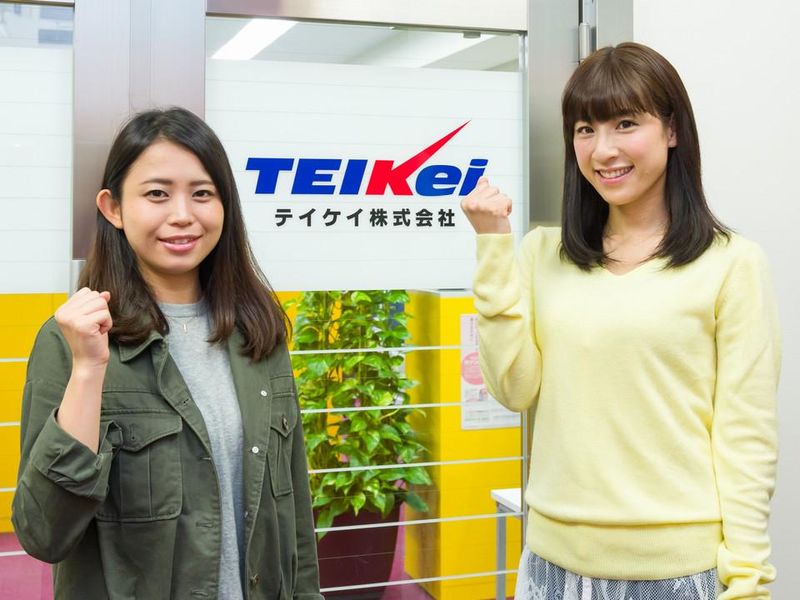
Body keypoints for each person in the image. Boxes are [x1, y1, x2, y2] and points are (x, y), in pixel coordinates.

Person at [461, 43, 780, 600]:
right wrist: (493, 247)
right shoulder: (541, 253)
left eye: (626, 124)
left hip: (675, 572)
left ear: (672, 130)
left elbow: (745, 435)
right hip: (551, 563)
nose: (603, 150)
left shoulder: (732, 263)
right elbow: (514, 389)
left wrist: (748, 577)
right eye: (585, 129)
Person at [12, 107, 323, 600]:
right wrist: (89, 370)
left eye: (202, 193)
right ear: (113, 208)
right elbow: (43, 533)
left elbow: (293, 513)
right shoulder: (72, 341)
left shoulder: (257, 330)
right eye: (157, 194)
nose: (183, 214)